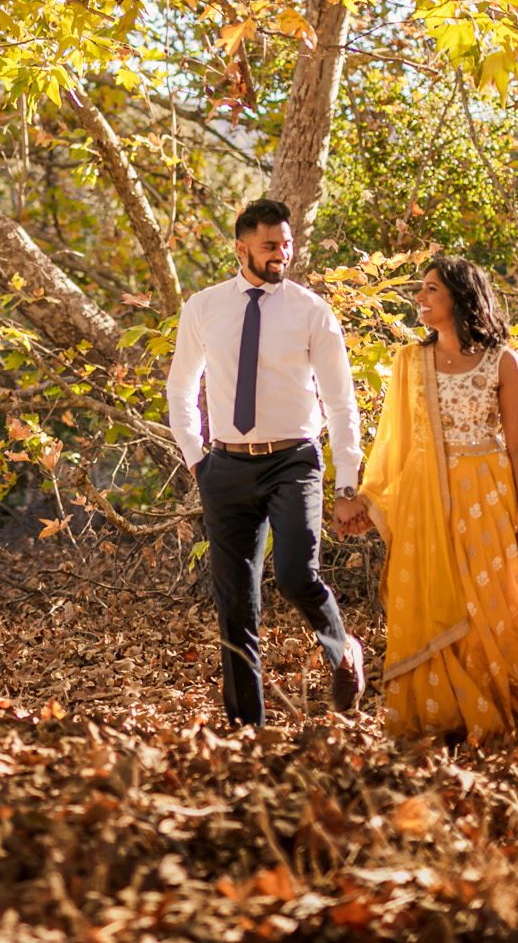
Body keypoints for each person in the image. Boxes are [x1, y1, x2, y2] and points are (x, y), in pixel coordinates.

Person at [335, 256, 518, 744]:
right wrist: (368, 501)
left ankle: (511, 704)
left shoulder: (502, 361)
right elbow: (393, 445)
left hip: (487, 499)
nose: (420, 299)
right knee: (437, 598)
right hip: (427, 502)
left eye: (431, 290)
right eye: (420, 290)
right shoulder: (410, 362)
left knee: (497, 605)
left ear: (460, 298)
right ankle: (443, 715)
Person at [166, 198, 369, 724]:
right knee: (235, 602)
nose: (283, 253)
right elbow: (182, 386)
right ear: (241, 248)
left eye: (287, 244)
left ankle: (342, 648)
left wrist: (346, 482)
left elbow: (341, 400)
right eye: (270, 246)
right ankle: (244, 730)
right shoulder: (203, 308)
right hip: (225, 467)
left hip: (293, 463)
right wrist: (196, 459)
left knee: (296, 574)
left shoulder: (310, 311)